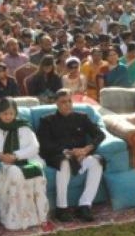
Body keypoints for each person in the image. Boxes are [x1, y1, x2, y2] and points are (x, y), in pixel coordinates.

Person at [0, 98, 49, 231]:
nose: (8, 117)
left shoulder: (23, 125)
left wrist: (16, 156)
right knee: (15, 172)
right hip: (4, 161)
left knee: (36, 170)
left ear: (15, 113)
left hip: (27, 159)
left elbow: (34, 147)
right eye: (4, 113)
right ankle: (15, 220)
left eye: (11, 113)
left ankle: (37, 218)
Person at [36, 89, 105, 223]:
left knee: (97, 161)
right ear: (56, 103)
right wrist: (68, 151)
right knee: (65, 162)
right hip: (59, 156)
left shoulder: (82, 117)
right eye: (63, 102)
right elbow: (43, 144)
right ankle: (61, 208)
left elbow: (100, 135)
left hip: (81, 155)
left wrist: (86, 149)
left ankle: (84, 205)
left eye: (69, 101)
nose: (67, 105)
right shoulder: (47, 120)